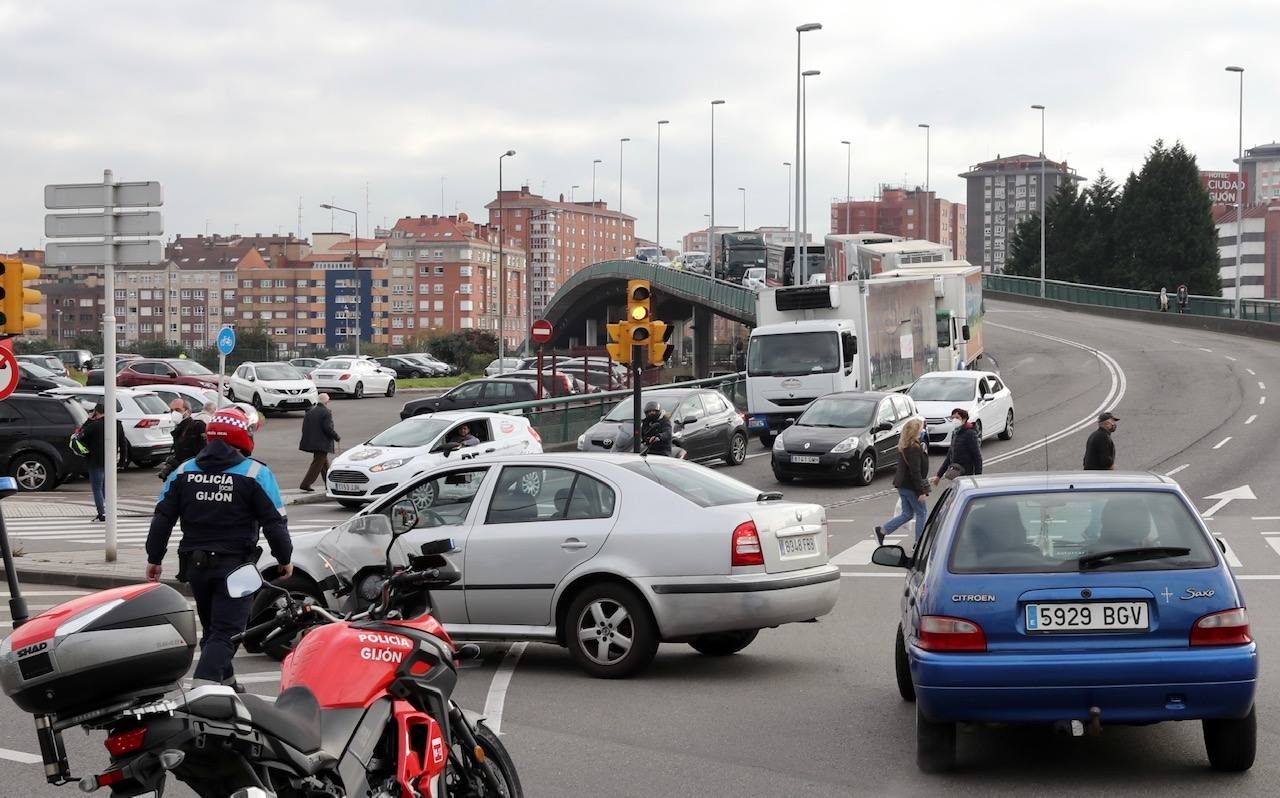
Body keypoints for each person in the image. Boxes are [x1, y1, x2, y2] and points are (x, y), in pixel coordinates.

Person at [145, 408, 292, 689]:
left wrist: (154, 557)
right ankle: (204, 689)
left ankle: (229, 685)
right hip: (235, 568)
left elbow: (162, 517)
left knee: (214, 630)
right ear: (242, 436)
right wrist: (284, 558)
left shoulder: (183, 471)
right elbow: (274, 522)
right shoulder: (255, 473)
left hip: (196, 568)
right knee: (227, 632)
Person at [875, 418, 930, 545]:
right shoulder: (914, 447)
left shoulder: (905, 445)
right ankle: (919, 543)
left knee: (907, 514)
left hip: (903, 485)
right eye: (921, 428)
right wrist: (921, 491)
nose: (923, 430)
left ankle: (882, 531)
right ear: (916, 431)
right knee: (921, 513)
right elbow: (915, 472)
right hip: (911, 486)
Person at [298, 393, 340, 492]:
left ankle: (329, 485)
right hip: (322, 443)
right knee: (317, 465)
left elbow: (305, 427)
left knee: (324, 464)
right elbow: (327, 428)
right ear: (326, 402)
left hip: (312, 442)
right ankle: (305, 484)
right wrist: (336, 436)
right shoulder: (326, 412)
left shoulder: (310, 411)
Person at [932, 408, 983, 486]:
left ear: (964, 419)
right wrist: (939, 475)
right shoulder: (956, 432)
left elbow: (977, 457)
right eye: (953, 418)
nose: (954, 420)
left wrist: (977, 478)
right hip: (955, 474)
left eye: (957, 418)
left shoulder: (970, 433)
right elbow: (949, 456)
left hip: (966, 476)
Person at [80, 403, 108, 522]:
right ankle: (108, 511)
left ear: (96, 412)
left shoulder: (94, 425)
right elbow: (122, 442)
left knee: (97, 488)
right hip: (109, 461)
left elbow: (81, 435)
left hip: (95, 460)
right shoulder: (116, 424)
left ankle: (102, 513)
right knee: (106, 488)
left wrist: (89, 420)